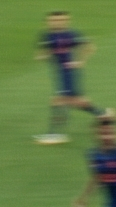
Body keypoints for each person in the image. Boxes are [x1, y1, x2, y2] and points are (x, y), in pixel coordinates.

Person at [35, 11, 95, 143]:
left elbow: (89, 47)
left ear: (66, 21)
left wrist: (80, 62)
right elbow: (42, 52)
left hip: (69, 73)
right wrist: (43, 55)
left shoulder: (71, 34)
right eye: (53, 20)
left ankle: (55, 134)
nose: (56, 23)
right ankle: (104, 115)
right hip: (59, 73)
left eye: (60, 20)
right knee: (78, 102)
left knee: (58, 101)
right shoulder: (47, 36)